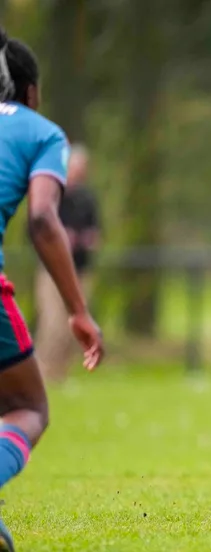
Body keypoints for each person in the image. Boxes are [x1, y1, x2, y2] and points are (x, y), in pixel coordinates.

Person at [0, 28, 104, 550]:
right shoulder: (40, 132)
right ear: (30, 91)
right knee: (26, 408)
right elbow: (43, 218)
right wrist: (79, 311)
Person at [35, 144, 101, 383]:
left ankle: (63, 374)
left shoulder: (87, 198)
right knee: (53, 324)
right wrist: (62, 237)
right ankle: (44, 373)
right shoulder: (52, 194)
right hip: (53, 271)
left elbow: (96, 231)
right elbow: (37, 227)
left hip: (80, 269)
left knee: (74, 327)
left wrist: (87, 239)